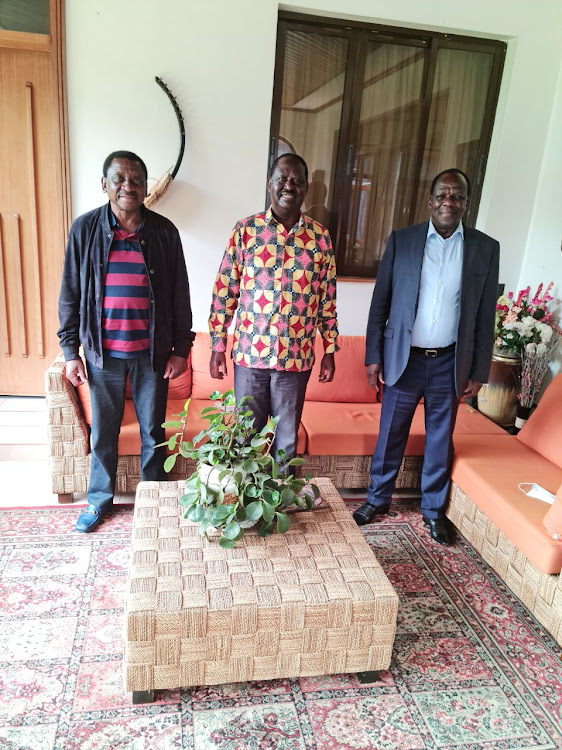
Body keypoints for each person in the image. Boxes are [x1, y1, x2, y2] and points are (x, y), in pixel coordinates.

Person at [354, 168, 499, 545]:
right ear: (430, 200)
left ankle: (433, 512)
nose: (448, 202)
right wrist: (374, 355)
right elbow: (380, 302)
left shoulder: (485, 248)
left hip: (450, 362)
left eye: (457, 196)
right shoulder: (404, 240)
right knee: (390, 435)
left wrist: (479, 369)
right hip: (404, 358)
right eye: (442, 195)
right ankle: (377, 499)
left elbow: (486, 315)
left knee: (439, 439)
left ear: (466, 203)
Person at [58, 150, 194, 532]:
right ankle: (99, 501)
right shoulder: (84, 230)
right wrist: (70, 352)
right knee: (104, 433)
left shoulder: (164, 232)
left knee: (153, 432)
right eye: (119, 179)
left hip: (152, 354)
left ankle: (152, 501)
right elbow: (70, 292)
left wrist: (182, 349)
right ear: (105, 184)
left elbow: (180, 294)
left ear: (146, 186)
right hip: (103, 356)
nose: (128, 186)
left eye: (136, 179)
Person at [208, 153, 338, 466]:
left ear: (306, 188)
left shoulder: (320, 239)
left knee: (287, 440)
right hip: (250, 356)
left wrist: (330, 350)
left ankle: (281, 505)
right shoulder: (246, 231)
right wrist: (217, 344)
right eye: (282, 178)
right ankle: (245, 503)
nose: (288, 185)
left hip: (296, 357)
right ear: (270, 184)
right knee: (245, 437)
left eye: (296, 180)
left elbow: (327, 298)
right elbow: (225, 291)